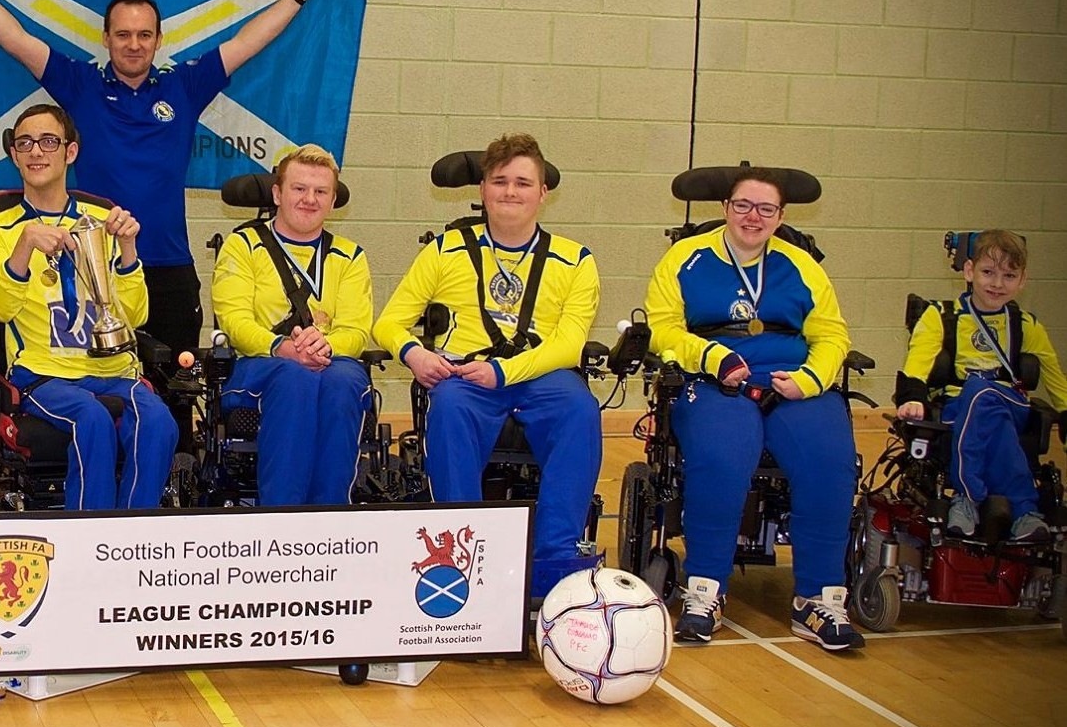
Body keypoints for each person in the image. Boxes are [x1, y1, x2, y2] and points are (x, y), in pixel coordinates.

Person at [0, 0, 346, 366]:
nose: (134, 44)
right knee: (105, 390)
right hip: (97, 270)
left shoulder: (184, 86)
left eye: (144, 35)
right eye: (123, 34)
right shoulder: (79, 85)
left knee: (176, 398)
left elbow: (248, 41)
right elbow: (15, 40)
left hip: (169, 267)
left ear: (159, 39)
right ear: (106, 38)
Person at [373, 135, 602, 600]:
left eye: (523, 182)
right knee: (450, 407)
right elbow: (389, 323)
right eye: (500, 181)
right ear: (482, 189)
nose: (511, 192)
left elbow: (568, 346)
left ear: (543, 193)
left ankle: (554, 561)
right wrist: (415, 354)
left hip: (540, 374)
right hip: (467, 378)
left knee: (580, 410)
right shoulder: (445, 249)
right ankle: (459, 553)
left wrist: (504, 372)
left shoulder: (576, 260)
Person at [646, 170, 864, 651]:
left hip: (793, 378)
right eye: (744, 205)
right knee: (722, 458)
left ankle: (818, 599)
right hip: (716, 375)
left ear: (781, 217)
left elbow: (832, 335)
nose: (753, 216)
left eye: (766, 209)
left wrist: (809, 380)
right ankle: (705, 589)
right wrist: (710, 356)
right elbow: (663, 329)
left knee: (830, 461)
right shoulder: (686, 257)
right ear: (726, 207)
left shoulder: (802, 265)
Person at [0, 103, 177, 510]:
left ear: (70, 152)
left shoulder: (104, 221)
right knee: (93, 419)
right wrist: (24, 246)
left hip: (113, 369)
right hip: (45, 375)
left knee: (159, 422)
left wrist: (130, 251)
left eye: (49, 141)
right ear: (14, 155)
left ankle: (132, 535)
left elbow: (134, 317)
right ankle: (87, 540)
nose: (36, 152)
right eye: (25, 143)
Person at [210, 145, 373, 506]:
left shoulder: (350, 256)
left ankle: (331, 515)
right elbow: (235, 321)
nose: (310, 199)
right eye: (299, 189)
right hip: (259, 365)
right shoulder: (242, 246)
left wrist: (322, 347)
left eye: (321, 192)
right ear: (277, 193)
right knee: (295, 377)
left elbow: (357, 331)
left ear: (332, 201)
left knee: (343, 379)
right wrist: (282, 348)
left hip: (330, 361)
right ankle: (284, 517)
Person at [895, 229, 1065, 542]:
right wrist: (913, 397)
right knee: (980, 398)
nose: (998, 284)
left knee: (983, 392)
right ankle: (1024, 510)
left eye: (1009, 275)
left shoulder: (1024, 324)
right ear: (970, 271)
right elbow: (918, 361)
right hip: (956, 405)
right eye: (988, 273)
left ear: (1022, 280)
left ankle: (967, 495)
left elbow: (1053, 373)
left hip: (1010, 401)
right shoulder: (942, 317)